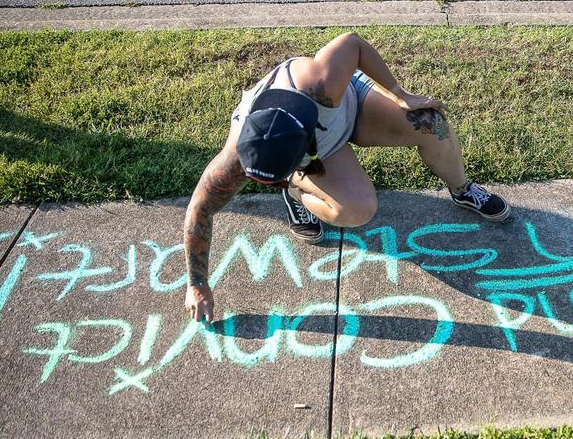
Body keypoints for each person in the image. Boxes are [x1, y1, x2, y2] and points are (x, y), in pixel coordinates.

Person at [182, 31, 510, 323]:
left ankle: (462, 188)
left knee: (431, 123)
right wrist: (197, 284)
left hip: (350, 106)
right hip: (316, 154)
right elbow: (200, 211)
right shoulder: (238, 156)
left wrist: (399, 94)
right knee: (356, 210)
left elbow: (353, 41)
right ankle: (296, 193)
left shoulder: (319, 83)